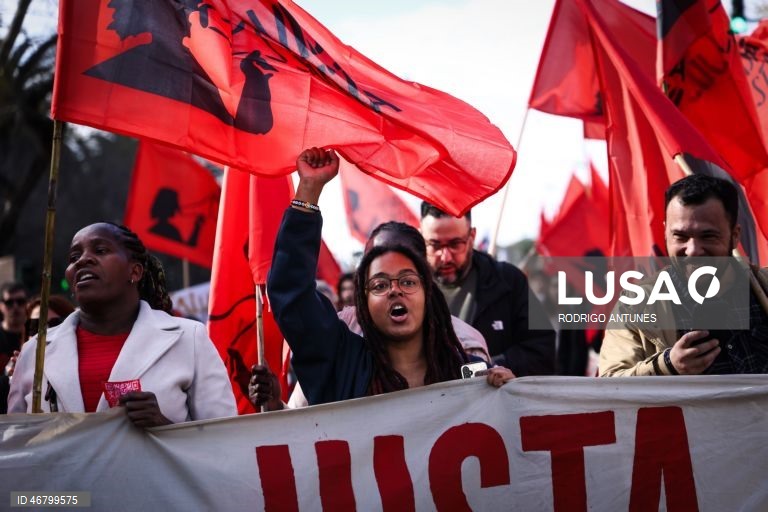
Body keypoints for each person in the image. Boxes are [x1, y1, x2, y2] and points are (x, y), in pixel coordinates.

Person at [265, 148, 513, 406]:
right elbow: (291, 291)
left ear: (428, 293)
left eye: (407, 281)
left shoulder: (468, 369)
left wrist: (506, 393)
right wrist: (309, 189)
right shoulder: (339, 360)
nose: (395, 291)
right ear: (364, 303)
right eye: (380, 285)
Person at [8, 222, 236, 426]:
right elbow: (16, 449)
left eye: (100, 250)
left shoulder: (189, 339)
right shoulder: (35, 352)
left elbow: (223, 443)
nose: (83, 260)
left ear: (134, 271)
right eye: (74, 257)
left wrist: (164, 426)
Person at [599, 174, 768, 376]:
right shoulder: (636, 305)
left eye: (708, 236)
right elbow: (610, 386)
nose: (693, 250)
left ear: (735, 235)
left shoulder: (762, 288)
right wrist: (667, 366)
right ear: (665, 233)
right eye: (680, 236)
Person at [419, 202, 556, 376]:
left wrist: (491, 366)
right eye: (435, 245)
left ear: (472, 236)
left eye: (455, 244)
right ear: (420, 237)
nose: (445, 257)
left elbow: (542, 350)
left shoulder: (509, 281)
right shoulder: (408, 287)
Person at [0, 282, 28, 370]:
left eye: (20, 302)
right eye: (9, 302)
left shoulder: (35, 335)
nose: (15, 306)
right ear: (1, 306)